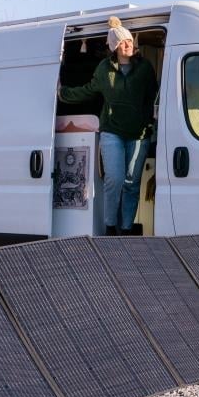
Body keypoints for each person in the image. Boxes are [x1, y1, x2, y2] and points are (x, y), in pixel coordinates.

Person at [58, 17, 157, 235]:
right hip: (112, 131)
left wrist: (149, 119)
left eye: (130, 41)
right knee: (115, 178)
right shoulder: (104, 69)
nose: (128, 45)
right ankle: (110, 225)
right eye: (123, 42)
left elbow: (154, 94)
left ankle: (127, 228)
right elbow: (88, 89)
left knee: (132, 182)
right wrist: (62, 93)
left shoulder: (145, 68)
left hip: (139, 133)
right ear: (114, 47)